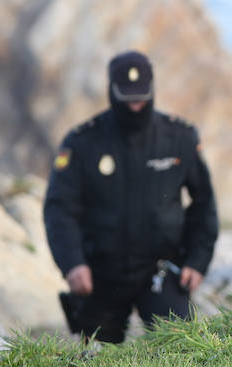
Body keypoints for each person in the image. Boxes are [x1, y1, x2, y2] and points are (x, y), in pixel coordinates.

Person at [43, 50, 218, 340]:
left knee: (182, 346)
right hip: (100, 273)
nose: (135, 105)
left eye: (141, 96)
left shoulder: (180, 138)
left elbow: (204, 203)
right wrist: (72, 263)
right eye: (127, 97)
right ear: (111, 90)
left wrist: (197, 261)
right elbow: (59, 209)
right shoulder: (82, 142)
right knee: (95, 357)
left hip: (161, 270)